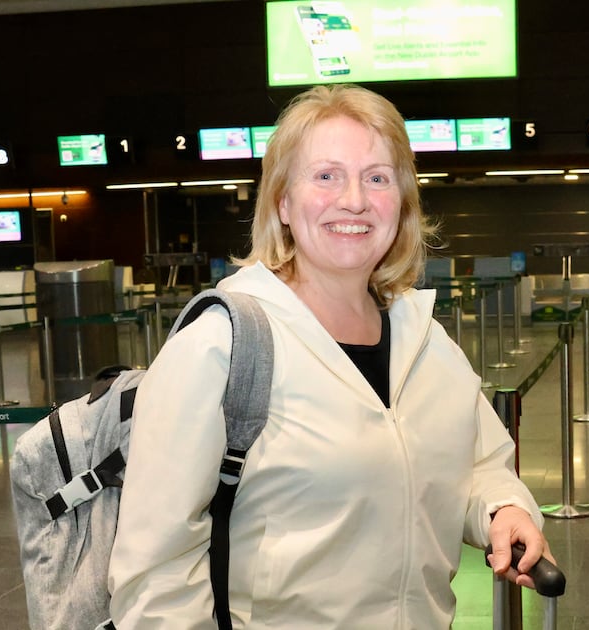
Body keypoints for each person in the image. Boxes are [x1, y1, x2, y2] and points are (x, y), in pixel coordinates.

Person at [108, 84, 551, 629]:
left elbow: (478, 462)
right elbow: (155, 574)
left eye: (377, 178)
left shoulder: (425, 340)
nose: (355, 200)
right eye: (326, 175)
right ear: (282, 203)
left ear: (402, 203)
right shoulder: (221, 346)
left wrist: (503, 509)